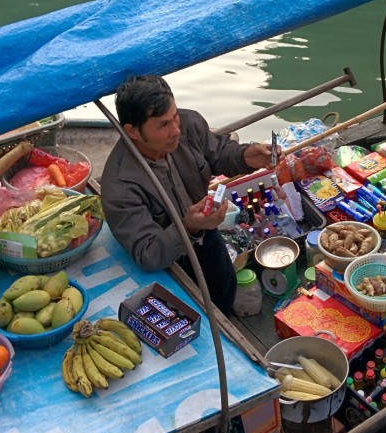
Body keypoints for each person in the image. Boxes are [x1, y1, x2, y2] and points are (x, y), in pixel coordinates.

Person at [101, 75, 272, 315]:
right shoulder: (119, 185)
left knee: (223, 289)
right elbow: (148, 253)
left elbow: (218, 153)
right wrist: (188, 227)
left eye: (175, 117)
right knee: (194, 313)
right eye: (163, 125)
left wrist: (245, 157)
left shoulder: (189, 125)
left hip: (206, 235)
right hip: (171, 265)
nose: (176, 131)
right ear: (132, 131)